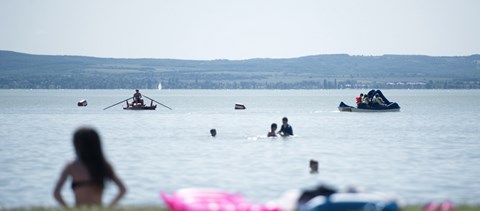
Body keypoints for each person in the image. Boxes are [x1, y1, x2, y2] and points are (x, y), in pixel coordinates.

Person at [53, 127, 126, 208]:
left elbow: (56, 193)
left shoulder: (72, 167)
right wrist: (109, 207)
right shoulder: (104, 165)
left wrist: (68, 209)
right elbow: (122, 189)